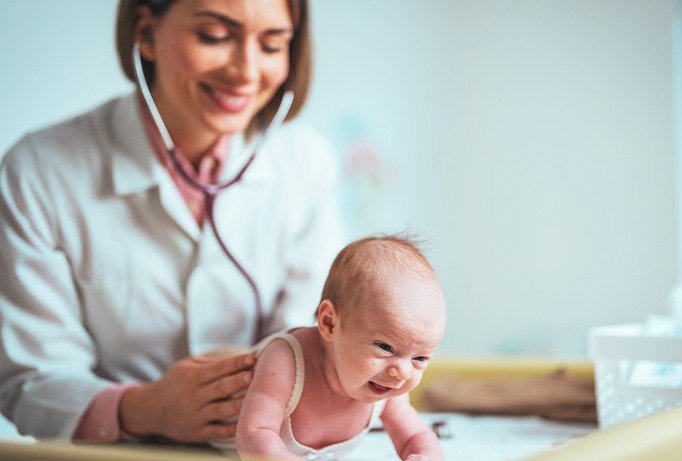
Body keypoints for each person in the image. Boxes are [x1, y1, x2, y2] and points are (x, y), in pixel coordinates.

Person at [0, 0, 342, 443]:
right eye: (214, 36)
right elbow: (28, 379)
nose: (246, 71)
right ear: (145, 33)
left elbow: (319, 338)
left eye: (272, 45)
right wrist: (143, 408)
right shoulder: (39, 171)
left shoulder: (306, 164)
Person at [235, 236, 446, 461]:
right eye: (385, 347)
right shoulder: (285, 361)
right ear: (329, 323)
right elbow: (254, 433)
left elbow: (416, 435)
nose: (402, 373)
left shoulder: (387, 388)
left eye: (420, 358)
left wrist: (424, 456)